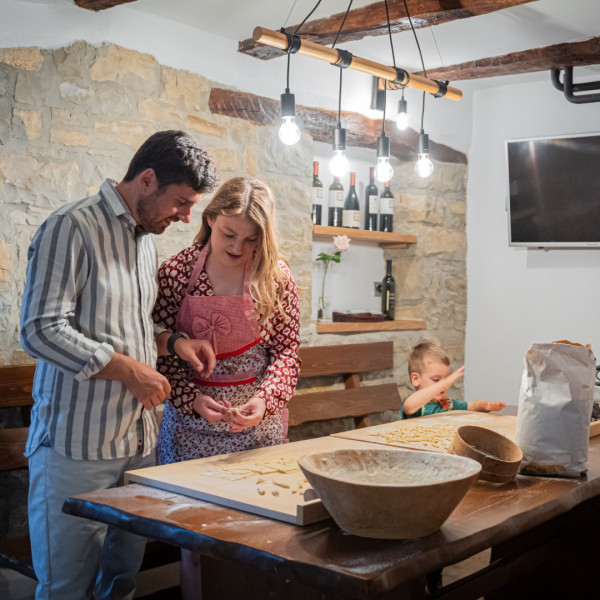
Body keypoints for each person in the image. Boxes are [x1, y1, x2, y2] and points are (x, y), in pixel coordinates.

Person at [20, 130, 218, 600]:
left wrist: (175, 342)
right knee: (67, 589)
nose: (187, 216)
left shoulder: (145, 238)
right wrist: (130, 370)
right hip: (74, 448)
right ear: (146, 180)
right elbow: (40, 329)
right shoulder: (71, 226)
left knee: (122, 583)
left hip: (137, 445)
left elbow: (124, 330)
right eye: (182, 202)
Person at [153, 176, 301, 464]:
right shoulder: (176, 273)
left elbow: (286, 352)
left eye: (251, 239)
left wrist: (263, 401)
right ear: (210, 220)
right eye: (228, 234)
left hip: (257, 434)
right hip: (188, 431)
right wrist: (191, 399)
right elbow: (162, 354)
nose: (237, 248)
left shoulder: (275, 277)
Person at [402, 341, 505, 418]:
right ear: (416, 379)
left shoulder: (447, 403)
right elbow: (409, 406)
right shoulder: (415, 404)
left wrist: (487, 406)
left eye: (446, 379)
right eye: (436, 379)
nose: (444, 385)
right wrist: (443, 384)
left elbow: (471, 406)